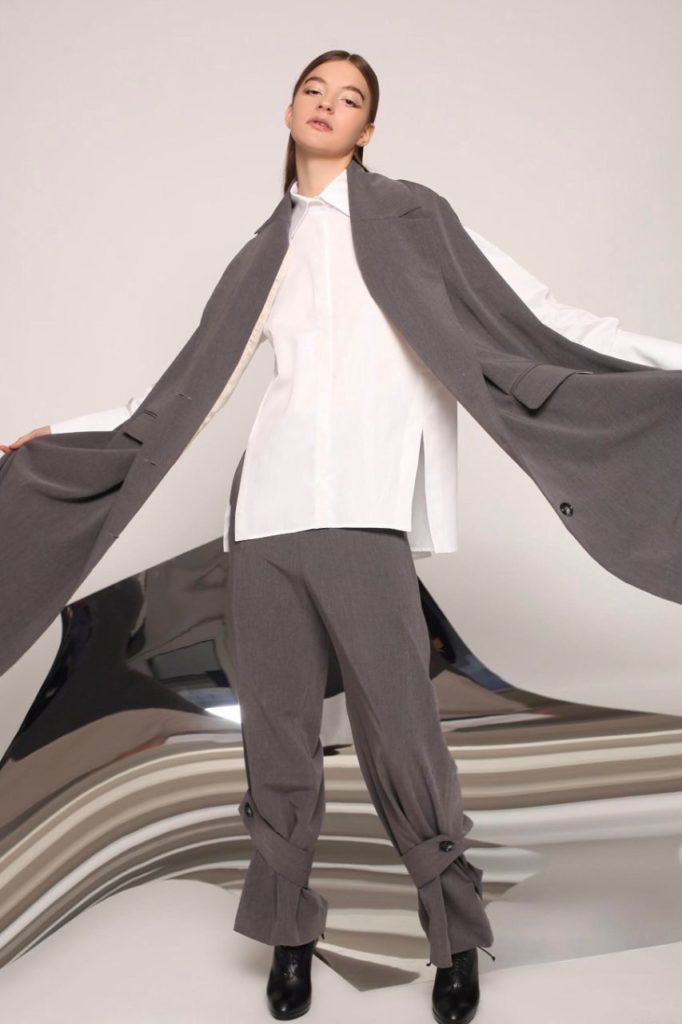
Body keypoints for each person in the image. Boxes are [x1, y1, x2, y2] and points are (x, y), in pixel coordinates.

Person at [3, 50, 681, 1024]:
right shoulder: (261, 253)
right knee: (277, 734)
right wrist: (61, 434)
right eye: (314, 91)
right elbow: (182, 394)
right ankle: (288, 930)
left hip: (363, 512)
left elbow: (541, 316)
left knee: (400, 731)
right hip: (264, 522)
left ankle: (453, 934)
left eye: (350, 98)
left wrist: (666, 359)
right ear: (289, 110)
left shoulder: (414, 218)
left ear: (368, 130)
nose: (328, 105)